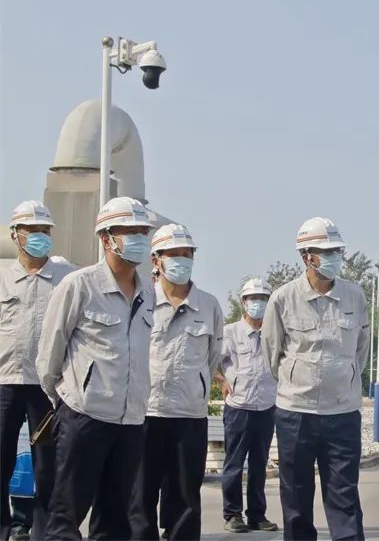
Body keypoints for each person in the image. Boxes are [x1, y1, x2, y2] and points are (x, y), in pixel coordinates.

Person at [36, 196, 155, 540]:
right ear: (106, 238)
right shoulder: (79, 285)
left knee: (116, 519)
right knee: (67, 515)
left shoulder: (148, 293)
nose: (139, 239)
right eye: (130, 232)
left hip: (130, 421)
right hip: (83, 416)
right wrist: (69, 401)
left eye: (142, 232)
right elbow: (50, 355)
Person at [262, 217, 369, 541]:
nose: (334, 257)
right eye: (326, 252)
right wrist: (297, 381)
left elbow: (361, 351)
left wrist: (344, 379)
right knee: (295, 496)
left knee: (344, 495)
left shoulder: (355, 296)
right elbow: (272, 353)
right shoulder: (283, 298)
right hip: (296, 413)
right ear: (306, 256)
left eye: (337, 251)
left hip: (342, 413)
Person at [129, 224, 224, 540]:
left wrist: (196, 387)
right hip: (144, 413)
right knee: (139, 497)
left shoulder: (209, 305)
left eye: (187, 254)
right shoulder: (139, 300)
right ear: (156, 260)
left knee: (185, 499)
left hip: (189, 416)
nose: (182, 260)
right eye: (174, 254)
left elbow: (212, 358)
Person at [1, 200, 75, 541]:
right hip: (5, 384)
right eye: (32, 230)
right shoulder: (2, 278)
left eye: (45, 230)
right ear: (15, 235)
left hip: (48, 389)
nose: (40, 236)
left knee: (48, 465)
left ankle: (46, 532)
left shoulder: (68, 278)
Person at [216, 277, 279, 534]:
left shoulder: (274, 333)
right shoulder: (230, 332)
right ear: (244, 302)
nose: (258, 303)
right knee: (234, 463)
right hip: (238, 408)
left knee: (259, 464)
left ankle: (257, 515)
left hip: (266, 407)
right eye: (254, 299)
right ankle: (232, 514)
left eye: (263, 299)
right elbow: (209, 359)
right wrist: (222, 380)